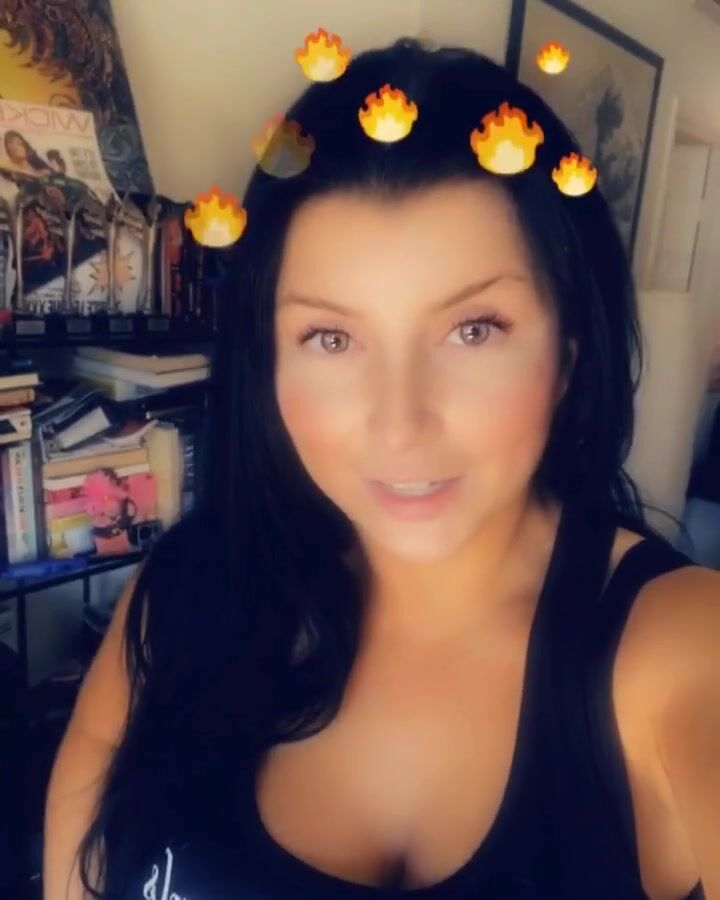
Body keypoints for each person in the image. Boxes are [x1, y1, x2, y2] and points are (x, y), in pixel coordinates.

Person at [43, 37, 719, 900]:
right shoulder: (183, 602)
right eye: (330, 338)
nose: (400, 425)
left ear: (569, 356)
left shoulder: (680, 648)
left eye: (474, 330)